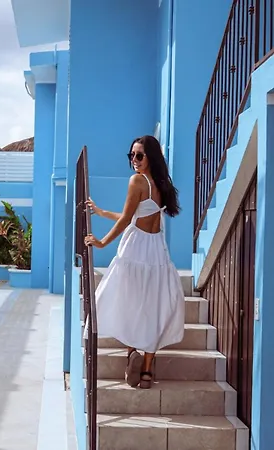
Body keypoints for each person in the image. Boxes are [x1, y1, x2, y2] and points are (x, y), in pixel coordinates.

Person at [84, 135, 184, 389]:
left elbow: (127, 219)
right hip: (157, 250)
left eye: (139, 155)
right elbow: (137, 214)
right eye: (131, 155)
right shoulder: (161, 184)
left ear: (151, 157)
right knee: (153, 306)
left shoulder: (137, 181)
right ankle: (147, 371)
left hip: (136, 248)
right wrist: (102, 212)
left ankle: (131, 352)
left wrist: (102, 242)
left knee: (127, 300)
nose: (134, 160)